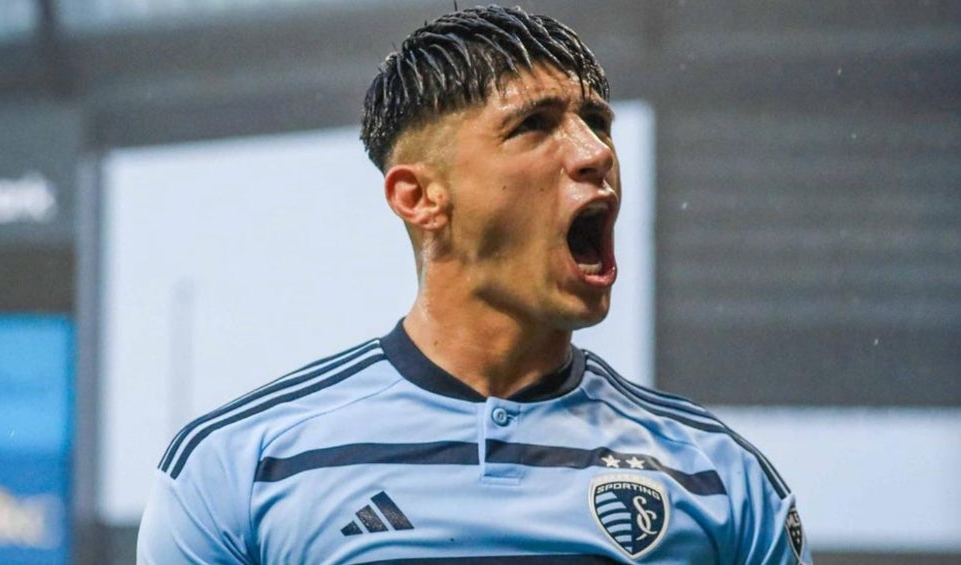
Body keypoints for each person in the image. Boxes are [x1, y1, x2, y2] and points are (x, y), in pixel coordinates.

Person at [137, 5, 811, 564]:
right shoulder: (239, 469)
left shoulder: (719, 478)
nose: (595, 152)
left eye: (598, 123)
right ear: (420, 198)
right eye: (534, 125)